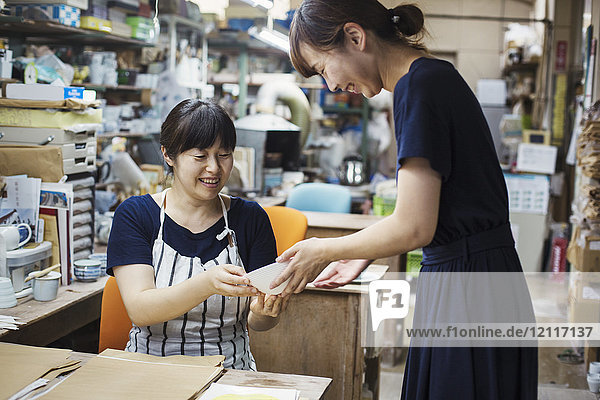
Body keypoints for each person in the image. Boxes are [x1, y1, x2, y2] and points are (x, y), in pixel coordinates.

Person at [270, 1, 538, 398]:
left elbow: (415, 226)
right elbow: (428, 210)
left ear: (355, 37)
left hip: (468, 286)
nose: (331, 86)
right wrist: (362, 251)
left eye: (325, 68)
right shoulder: (430, 78)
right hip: (477, 277)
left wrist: (324, 249)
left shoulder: (418, 86)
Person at [107, 99, 288, 370]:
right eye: (200, 156)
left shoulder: (250, 218)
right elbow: (140, 309)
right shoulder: (136, 215)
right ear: (168, 155)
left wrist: (265, 314)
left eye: (224, 154)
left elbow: (259, 321)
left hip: (228, 371)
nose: (214, 168)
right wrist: (207, 284)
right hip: (148, 369)